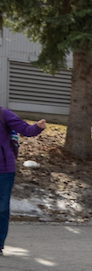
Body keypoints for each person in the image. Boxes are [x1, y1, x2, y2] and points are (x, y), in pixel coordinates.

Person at [1, 107, 46, 256]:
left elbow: (25, 129)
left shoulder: (3, 114)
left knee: (2, 208)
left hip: (4, 169)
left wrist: (37, 127)